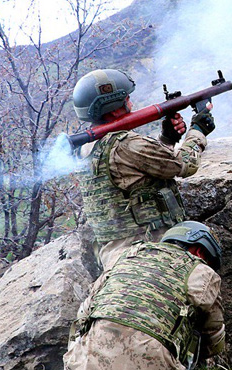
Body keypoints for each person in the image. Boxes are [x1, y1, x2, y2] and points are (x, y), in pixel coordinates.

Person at [63, 220, 227, 370]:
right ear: (200, 251)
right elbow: (214, 342)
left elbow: (82, 319)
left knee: (79, 353)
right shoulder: (201, 272)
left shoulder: (124, 256)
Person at [72, 69, 217, 270]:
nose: (131, 104)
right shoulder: (126, 144)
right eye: (127, 99)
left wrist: (167, 139)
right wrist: (198, 130)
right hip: (150, 252)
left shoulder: (85, 148)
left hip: (116, 256)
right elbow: (184, 165)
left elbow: (136, 171)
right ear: (114, 108)